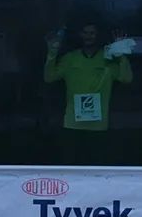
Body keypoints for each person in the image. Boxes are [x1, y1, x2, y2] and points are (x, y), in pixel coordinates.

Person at [44, 21, 133, 165]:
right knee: (72, 168)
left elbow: (126, 78)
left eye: (92, 33)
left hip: (98, 127)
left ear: (98, 35)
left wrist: (121, 53)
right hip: (72, 125)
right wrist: (52, 53)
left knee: (97, 168)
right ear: (80, 35)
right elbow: (49, 78)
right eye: (85, 32)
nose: (88, 36)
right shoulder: (70, 58)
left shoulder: (108, 58)